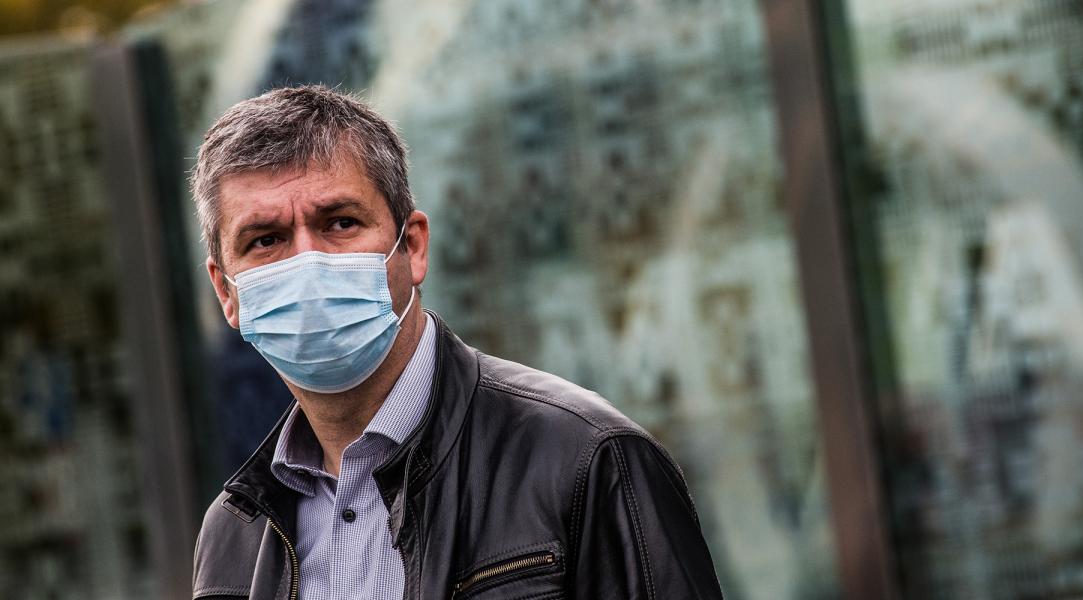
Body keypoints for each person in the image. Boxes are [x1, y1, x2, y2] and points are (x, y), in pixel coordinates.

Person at [190, 85, 723, 600]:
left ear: (413, 247)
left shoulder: (587, 459)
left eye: (341, 223)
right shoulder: (233, 538)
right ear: (226, 292)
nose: (308, 262)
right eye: (266, 240)